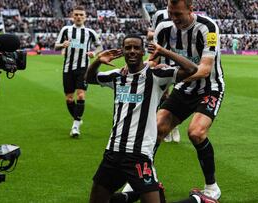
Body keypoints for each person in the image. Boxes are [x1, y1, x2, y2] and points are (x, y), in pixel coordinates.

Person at [85, 33, 217, 203]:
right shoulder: (117, 76)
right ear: (123, 52)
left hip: (139, 155)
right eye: (128, 48)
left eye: (136, 48)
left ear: (142, 52)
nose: (132, 51)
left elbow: (191, 69)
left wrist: (164, 51)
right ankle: (134, 194)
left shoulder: (157, 76)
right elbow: (88, 78)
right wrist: (97, 61)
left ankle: (198, 201)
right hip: (113, 152)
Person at [153, 0, 225, 200]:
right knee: (156, 127)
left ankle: (212, 187)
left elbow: (205, 69)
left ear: (190, 10)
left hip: (209, 88)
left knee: (196, 132)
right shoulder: (163, 27)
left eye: (178, 14)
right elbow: (154, 59)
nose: (174, 19)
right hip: (184, 87)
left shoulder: (208, 28)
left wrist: (170, 75)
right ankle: (145, 180)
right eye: (170, 13)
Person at [55, 5, 102, 137]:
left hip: (84, 68)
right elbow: (55, 46)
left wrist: (94, 52)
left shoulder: (90, 32)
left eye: (81, 15)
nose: (78, 17)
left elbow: (100, 46)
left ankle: (75, 125)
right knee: (69, 99)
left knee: (81, 95)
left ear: (85, 17)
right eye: (76, 14)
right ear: (72, 16)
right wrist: (62, 45)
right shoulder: (66, 29)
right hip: (68, 69)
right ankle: (78, 119)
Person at [148, 8, 181, 143]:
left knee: (178, 93)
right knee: (165, 95)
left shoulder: (186, 15)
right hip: (162, 60)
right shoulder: (159, 15)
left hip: (180, 60)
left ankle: (175, 126)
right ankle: (166, 125)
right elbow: (151, 33)